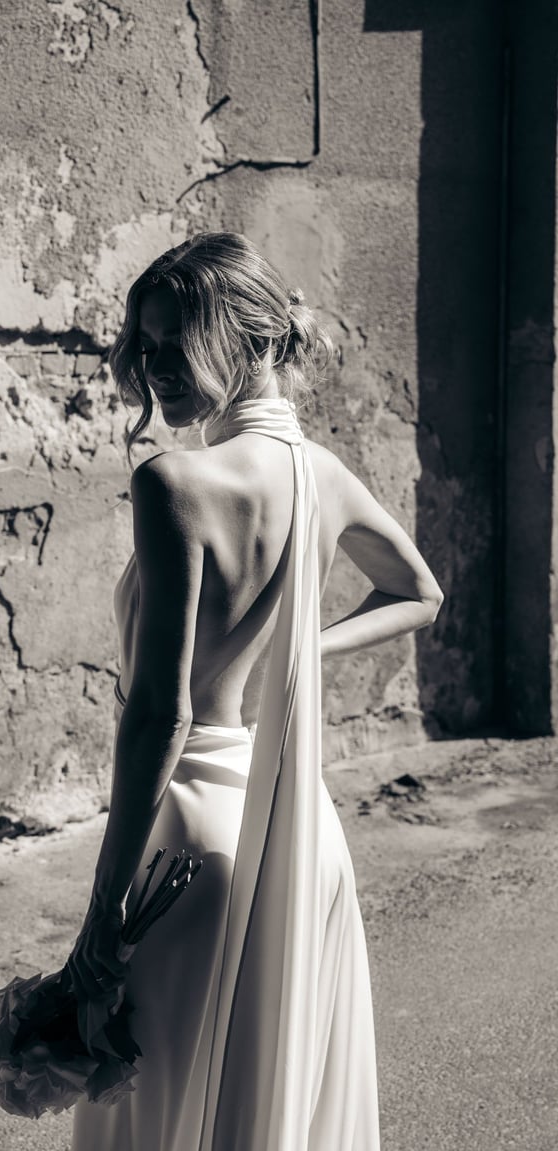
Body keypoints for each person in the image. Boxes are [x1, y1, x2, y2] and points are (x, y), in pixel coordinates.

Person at [66, 232, 443, 1151]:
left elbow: (160, 715)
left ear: (257, 340)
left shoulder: (174, 482)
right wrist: (299, 649)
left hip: (191, 841)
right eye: (147, 344)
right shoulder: (322, 476)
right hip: (302, 834)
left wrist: (100, 917)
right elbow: (419, 593)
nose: (156, 368)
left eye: (179, 342)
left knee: (161, 1123)